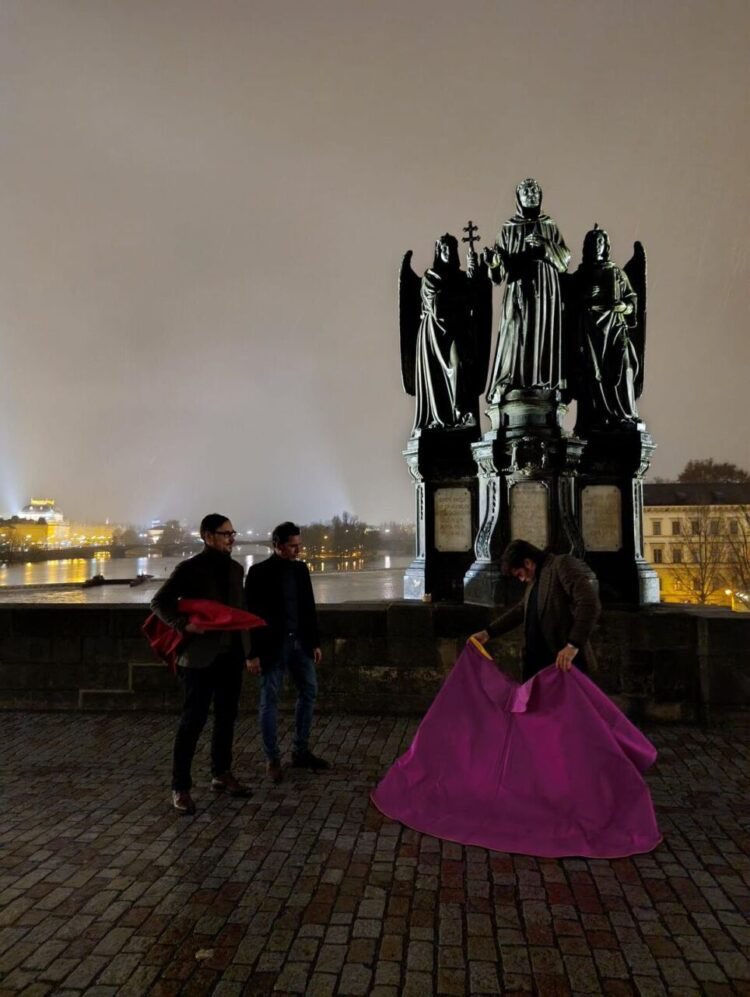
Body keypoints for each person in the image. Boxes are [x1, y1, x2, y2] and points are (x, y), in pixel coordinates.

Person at [151, 513, 253, 814]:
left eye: (233, 533)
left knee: (226, 718)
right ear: (207, 536)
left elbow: (240, 612)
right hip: (198, 658)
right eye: (225, 534)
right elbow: (159, 602)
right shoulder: (190, 568)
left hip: (230, 656)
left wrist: (249, 652)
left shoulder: (237, 569)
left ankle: (221, 773)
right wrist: (183, 625)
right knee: (192, 722)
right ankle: (180, 787)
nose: (232, 539)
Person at [245, 522, 329, 783]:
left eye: (299, 545)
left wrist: (314, 642)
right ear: (277, 546)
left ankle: (300, 752)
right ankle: (273, 759)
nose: (298, 550)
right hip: (272, 647)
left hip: (300, 644)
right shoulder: (258, 573)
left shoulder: (301, 570)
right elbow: (250, 617)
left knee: (309, 691)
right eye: (293, 546)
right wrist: (251, 654)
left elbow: (308, 608)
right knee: (269, 701)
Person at [484, 178, 570, 403]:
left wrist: (545, 246)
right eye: (526, 192)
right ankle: (512, 380)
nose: (530, 196)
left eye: (534, 192)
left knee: (542, 331)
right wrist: (494, 263)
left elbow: (565, 259)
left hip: (546, 291)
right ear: (518, 197)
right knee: (515, 330)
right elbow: (498, 272)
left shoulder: (549, 225)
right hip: (519, 290)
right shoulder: (508, 228)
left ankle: (543, 381)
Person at [399, 233, 492, 432]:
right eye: (444, 249)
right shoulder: (430, 277)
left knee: (460, 364)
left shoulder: (461, 277)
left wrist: (475, 277)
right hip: (435, 335)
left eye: (452, 248)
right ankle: (443, 416)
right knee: (445, 374)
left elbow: (474, 304)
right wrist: (463, 293)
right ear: (438, 251)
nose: (448, 252)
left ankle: (461, 412)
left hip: (457, 333)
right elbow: (438, 307)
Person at [470, 538, 600, 679]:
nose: (521, 579)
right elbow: (521, 610)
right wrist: (488, 633)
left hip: (563, 665)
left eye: (519, 574)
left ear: (528, 563)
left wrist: (572, 645)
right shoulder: (534, 579)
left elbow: (589, 603)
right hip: (537, 668)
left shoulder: (561, 564)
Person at [573, 225, 641, 428]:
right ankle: (601, 415)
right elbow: (569, 301)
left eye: (600, 242)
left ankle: (625, 412)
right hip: (590, 332)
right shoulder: (580, 275)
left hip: (615, 327)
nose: (597, 246)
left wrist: (624, 307)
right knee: (594, 374)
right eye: (593, 242)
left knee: (625, 365)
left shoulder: (616, 273)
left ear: (606, 246)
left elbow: (632, 299)